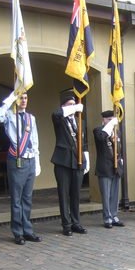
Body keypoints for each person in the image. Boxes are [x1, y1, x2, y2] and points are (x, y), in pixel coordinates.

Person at [0, 93, 42, 245]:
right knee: (17, 199)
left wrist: (37, 160)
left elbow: (34, 139)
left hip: (30, 159)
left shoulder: (30, 118)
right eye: (21, 98)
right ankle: (18, 232)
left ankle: (28, 230)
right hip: (17, 159)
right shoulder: (9, 115)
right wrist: (8, 101)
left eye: (26, 98)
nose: (23, 101)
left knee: (27, 198)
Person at [51, 89, 89, 236]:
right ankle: (66, 224)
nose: (73, 107)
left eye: (74, 104)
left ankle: (76, 222)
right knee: (64, 194)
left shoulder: (80, 121)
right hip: (63, 162)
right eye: (69, 105)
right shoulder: (59, 118)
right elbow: (56, 114)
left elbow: (83, 142)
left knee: (75, 194)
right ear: (64, 106)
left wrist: (86, 158)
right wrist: (73, 108)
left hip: (77, 161)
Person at [93, 110, 124, 229]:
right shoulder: (98, 131)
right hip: (105, 167)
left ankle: (114, 215)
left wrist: (120, 160)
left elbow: (120, 148)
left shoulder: (117, 132)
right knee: (106, 194)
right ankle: (107, 218)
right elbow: (101, 138)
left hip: (116, 166)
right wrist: (110, 125)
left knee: (115, 194)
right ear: (103, 120)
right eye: (108, 120)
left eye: (112, 119)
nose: (111, 121)